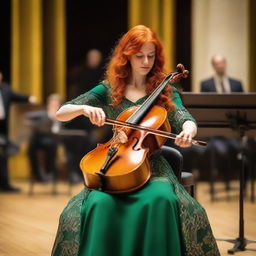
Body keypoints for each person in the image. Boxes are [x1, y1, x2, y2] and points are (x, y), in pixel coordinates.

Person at [52, 25, 220, 256]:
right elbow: (61, 112)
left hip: (153, 167)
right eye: (139, 56)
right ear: (126, 56)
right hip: (112, 163)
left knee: (162, 199)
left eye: (151, 56)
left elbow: (184, 117)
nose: (145, 61)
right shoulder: (109, 89)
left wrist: (189, 130)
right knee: (99, 203)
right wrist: (83, 109)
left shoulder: (165, 89)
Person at [200, 55, 244, 200]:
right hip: (216, 133)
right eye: (217, 64)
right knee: (221, 150)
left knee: (242, 149)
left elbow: (243, 109)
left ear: (225, 64)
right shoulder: (206, 84)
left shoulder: (236, 84)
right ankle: (224, 179)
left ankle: (237, 183)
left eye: (222, 63)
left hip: (233, 131)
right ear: (214, 66)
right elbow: (205, 110)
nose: (220, 66)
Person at [0, 70, 36, 192]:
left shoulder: (5, 89)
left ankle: (5, 184)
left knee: (4, 156)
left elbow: (16, 96)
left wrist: (29, 98)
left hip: (2, 128)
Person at [26, 94, 62, 182]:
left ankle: (50, 173)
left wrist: (56, 117)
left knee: (52, 146)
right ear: (48, 105)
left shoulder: (63, 116)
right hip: (40, 140)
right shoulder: (42, 114)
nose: (54, 106)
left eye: (56, 104)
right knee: (31, 147)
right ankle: (37, 174)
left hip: (55, 141)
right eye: (52, 104)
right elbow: (27, 116)